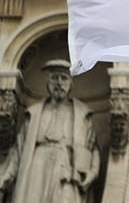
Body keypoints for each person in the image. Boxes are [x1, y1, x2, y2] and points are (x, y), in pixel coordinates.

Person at [0, 59, 100, 203]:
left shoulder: (82, 114)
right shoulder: (33, 113)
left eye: (64, 78)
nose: (59, 83)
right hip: (36, 164)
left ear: (71, 83)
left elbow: (93, 148)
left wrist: (93, 172)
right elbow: (19, 150)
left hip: (66, 166)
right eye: (54, 78)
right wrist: (6, 177)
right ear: (48, 83)